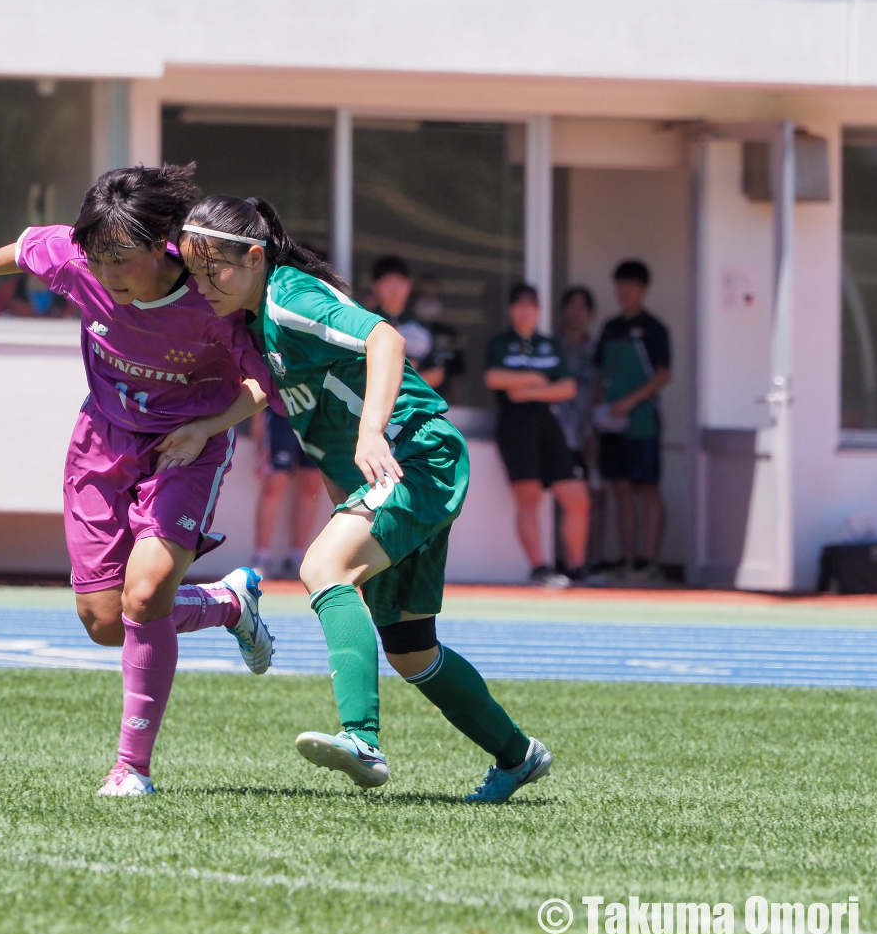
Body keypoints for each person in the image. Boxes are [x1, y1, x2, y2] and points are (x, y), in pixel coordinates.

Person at [180, 195, 552, 805]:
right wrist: (211, 425)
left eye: (210, 271)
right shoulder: (257, 320)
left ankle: (362, 740)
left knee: (324, 568)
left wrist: (372, 429)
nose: (202, 286)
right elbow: (277, 391)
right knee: (411, 651)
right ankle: (517, 755)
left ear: (253, 257)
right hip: (401, 468)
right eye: (194, 274)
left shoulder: (289, 296)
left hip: (414, 456)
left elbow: (385, 338)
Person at [0, 165, 275, 798]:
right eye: (98, 258)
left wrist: (208, 427)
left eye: (121, 259)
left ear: (161, 243)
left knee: (144, 597)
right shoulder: (80, 259)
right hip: (102, 443)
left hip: (185, 447)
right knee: (105, 620)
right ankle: (226, 604)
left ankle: (131, 768)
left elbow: (261, 385)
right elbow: (32, 245)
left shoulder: (212, 297)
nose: (107, 274)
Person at [485, 284, 590, 587]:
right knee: (528, 497)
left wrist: (529, 390)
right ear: (510, 309)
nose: (525, 310)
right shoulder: (501, 343)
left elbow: (568, 387)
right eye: (519, 304)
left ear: (540, 310)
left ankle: (577, 567)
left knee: (576, 497)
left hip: (548, 420)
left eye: (531, 304)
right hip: (515, 424)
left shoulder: (550, 344)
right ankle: (540, 568)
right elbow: (493, 377)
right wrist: (535, 378)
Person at [592, 259, 671, 584]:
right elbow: (598, 375)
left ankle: (648, 559)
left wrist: (630, 402)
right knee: (620, 487)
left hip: (641, 421)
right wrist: (594, 414)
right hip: (609, 422)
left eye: (632, 286)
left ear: (644, 290)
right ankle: (626, 558)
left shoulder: (654, 328)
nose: (625, 292)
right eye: (621, 285)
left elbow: (664, 374)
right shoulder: (610, 328)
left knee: (647, 488)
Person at [555, 285, 608, 570]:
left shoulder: (596, 349)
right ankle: (560, 560)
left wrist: (593, 433)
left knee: (592, 496)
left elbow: (600, 388)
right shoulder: (551, 345)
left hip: (586, 432)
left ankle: (591, 559)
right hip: (555, 432)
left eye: (582, 307)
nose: (576, 312)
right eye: (571, 305)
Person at [368, 256, 464, 404]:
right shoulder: (366, 323)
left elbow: (437, 373)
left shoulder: (422, 328)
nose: (394, 289)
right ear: (375, 286)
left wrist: (404, 381)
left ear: (408, 286)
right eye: (387, 282)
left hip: (413, 407)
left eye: (399, 282)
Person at [250, 407, 324, 580]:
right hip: (280, 413)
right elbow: (259, 380)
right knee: (274, 482)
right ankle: (261, 558)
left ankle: (296, 558)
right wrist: (257, 417)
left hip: (319, 417)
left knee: (312, 487)